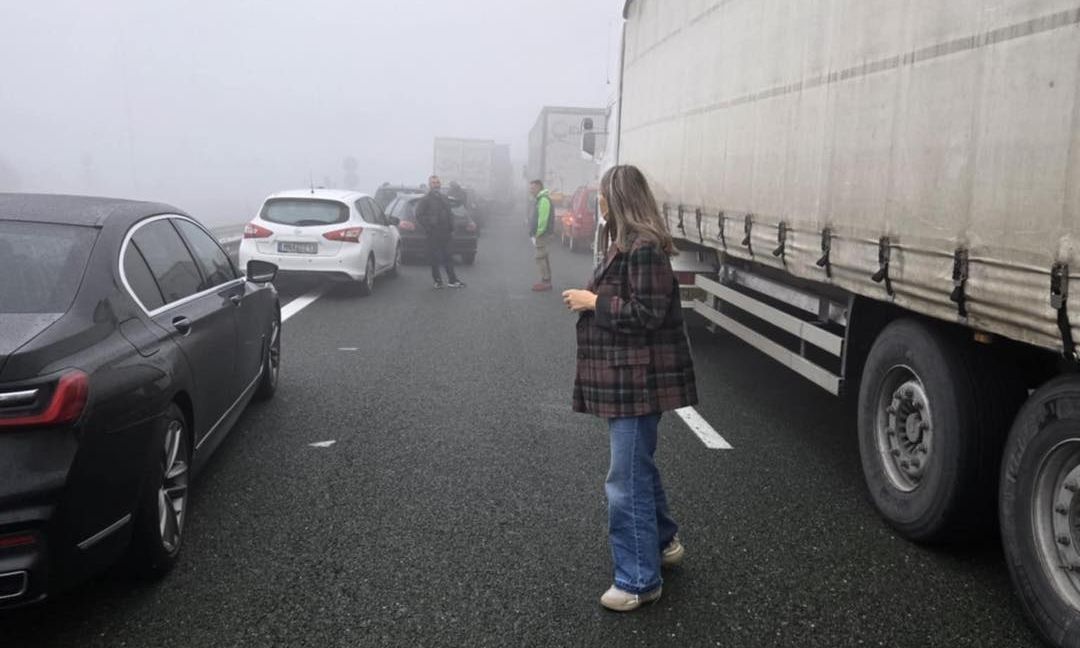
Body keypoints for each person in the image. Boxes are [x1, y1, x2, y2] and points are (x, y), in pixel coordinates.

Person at [562, 164, 698, 612]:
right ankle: (662, 544)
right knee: (638, 467)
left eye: (601, 195)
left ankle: (639, 580)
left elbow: (646, 314)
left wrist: (593, 301)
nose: (598, 202)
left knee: (625, 480)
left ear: (618, 197)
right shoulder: (627, 242)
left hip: (637, 381)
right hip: (628, 379)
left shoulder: (642, 248)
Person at [415, 175, 464, 289]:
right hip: (433, 233)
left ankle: (452, 280)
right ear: (430, 185)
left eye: (437, 182)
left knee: (448, 256)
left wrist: (452, 226)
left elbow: (449, 213)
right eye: (433, 183)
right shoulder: (425, 199)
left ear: (440, 184)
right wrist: (428, 226)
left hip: (446, 232)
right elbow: (419, 215)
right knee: (434, 258)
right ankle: (437, 281)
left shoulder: (444, 197)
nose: (436, 184)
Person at [528, 179, 554, 291]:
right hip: (541, 233)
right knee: (544, 256)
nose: (531, 190)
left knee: (540, 257)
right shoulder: (540, 199)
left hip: (542, 234)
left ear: (539, 187)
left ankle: (545, 281)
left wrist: (538, 233)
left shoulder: (543, 200)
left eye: (532, 188)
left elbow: (543, 218)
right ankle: (546, 281)